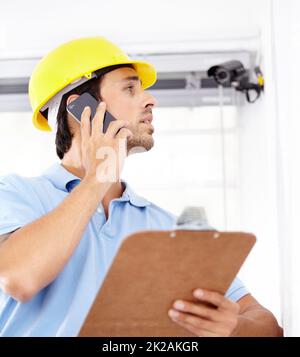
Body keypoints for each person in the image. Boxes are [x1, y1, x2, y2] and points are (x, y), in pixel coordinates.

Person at [0, 37, 282, 337]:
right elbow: (19, 278)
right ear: (81, 108)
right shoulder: (16, 194)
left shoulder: (169, 228)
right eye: (129, 88)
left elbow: (269, 327)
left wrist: (234, 327)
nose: (151, 100)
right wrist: (99, 176)